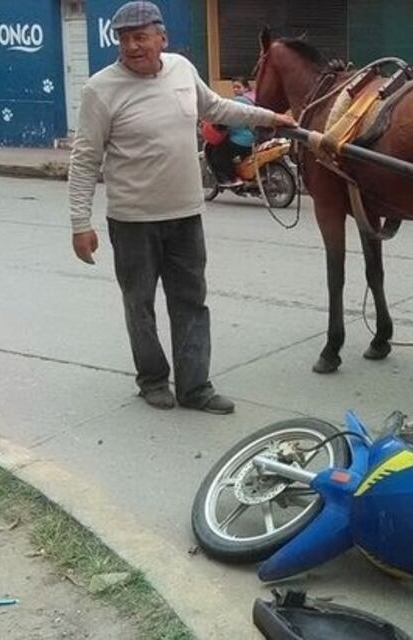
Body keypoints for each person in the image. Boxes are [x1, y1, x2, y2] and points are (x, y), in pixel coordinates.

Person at [68, 1, 297, 414]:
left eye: (141, 37)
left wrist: (271, 117)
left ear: (162, 37)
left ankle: (195, 387)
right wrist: (79, 222)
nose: (133, 47)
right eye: (124, 39)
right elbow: (85, 158)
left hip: (186, 215)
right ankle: (153, 379)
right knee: (139, 302)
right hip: (132, 219)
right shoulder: (100, 89)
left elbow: (217, 108)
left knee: (191, 300)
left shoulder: (180, 70)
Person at [205, 87, 257, 188]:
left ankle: (232, 178)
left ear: (246, 88)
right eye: (234, 87)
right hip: (253, 139)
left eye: (238, 87)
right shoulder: (248, 101)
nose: (235, 89)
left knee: (218, 155)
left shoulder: (232, 104)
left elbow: (221, 125)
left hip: (239, 140)